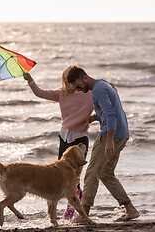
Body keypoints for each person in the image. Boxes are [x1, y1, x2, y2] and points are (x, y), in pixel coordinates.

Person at [66, 66, 139, 222]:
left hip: (110, 135)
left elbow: (111, 114)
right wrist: (93, 118)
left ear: (84, 78)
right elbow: (107, 112)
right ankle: (131, 210)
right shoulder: (102, 85)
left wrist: (109, 141)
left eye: (78, 86)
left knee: (91, 173)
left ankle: (84, 214)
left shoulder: (98, 90)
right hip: (121, 134)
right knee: (106, 173)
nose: (79, 90)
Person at [23, 65, 94, 219]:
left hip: (80, 139)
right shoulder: (61, 94)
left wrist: (111, 87)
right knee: (60, 175)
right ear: (64, 81)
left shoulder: (89, 93)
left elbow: (106, 97)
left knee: (75, 177)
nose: (69, 84)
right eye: (66, 81)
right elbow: (39, 93)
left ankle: (70, 212)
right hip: (64, 137)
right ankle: (54, 213)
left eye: (71, 81)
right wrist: (30, 81)